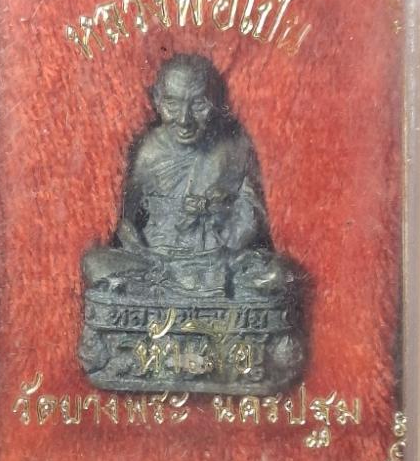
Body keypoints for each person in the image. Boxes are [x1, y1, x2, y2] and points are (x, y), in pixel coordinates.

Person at [82, 53, 293, 301]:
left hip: (220, 260)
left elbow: (252, 217)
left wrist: (217, 210)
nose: (184, 119)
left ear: (216, 101)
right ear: (157, 100)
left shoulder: (234, 148)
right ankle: (180, 288)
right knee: (94, 262)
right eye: (172, 104)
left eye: (198, 105)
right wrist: (142, 248)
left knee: (280, 273)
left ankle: (179, 291)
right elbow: (126, 222)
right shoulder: (146, 151)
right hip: (157, 261)